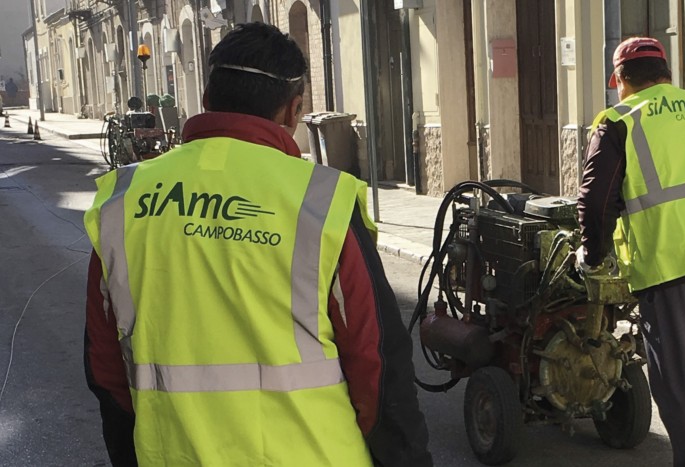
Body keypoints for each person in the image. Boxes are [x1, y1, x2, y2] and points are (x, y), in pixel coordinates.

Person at [84, 23, 432, 466]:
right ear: (294, 110)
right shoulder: (321, 203)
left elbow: (105, 365)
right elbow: (378, 366)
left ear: (207, 99)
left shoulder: (123, 202)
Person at [577, 37, 685, 467]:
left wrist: (592, 253)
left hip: (672, 264)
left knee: (678, 381)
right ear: (667, 74)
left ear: (619, 79)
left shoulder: (620, 121)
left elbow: (597, 201)